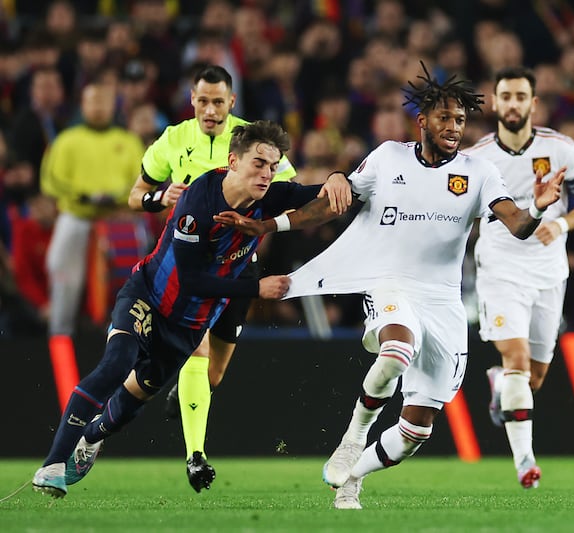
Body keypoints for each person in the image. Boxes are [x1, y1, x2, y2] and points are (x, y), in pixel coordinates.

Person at [214, 64, 565, 509]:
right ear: (422, 121)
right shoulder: (387, 158)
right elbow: (328, 207)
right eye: (444, 118)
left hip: (443, 301)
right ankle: (353, 435)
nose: (454, 127)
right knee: (396, 350)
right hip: (390, 285)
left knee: (416, 432)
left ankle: (353, 474)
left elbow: (516, 225)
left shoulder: (478, 173)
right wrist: (265, 226)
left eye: (460, 120)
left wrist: (537, 203)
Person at [32, 120, 352, 499]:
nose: (266, 173)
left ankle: (92, 436)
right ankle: (52, 464)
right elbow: (191, 280)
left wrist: (336, 177)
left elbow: (309, 193)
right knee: (116, 364)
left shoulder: (269, 196)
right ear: (233, 161)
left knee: (133, 400)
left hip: (188, 326)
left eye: (273, 164)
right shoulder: (199, 202)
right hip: (148, 298)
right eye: (258, 163)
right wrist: (256, 287)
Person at [127, 65, 297, 492]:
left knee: (214, 376)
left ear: (231, 102)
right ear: (192, 99)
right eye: (202, 101)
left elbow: (284, 192)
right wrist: (157, 197)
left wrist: (260, 233)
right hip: (189, 266)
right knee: (196, 353)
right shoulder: (173, 139)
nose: (209, 109)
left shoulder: (252, 140)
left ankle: (185, 397)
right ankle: (195, 456)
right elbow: (135, 195)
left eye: (218, 101)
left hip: (239, 264)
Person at [462, 66, 574, 488]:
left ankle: (499, 383)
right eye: (506, 96)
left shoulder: (562, 149)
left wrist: (560, 225)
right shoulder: (478, 157)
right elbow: (463, 217)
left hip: (548, 271)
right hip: (500, 269)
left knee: (532, 378)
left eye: (521, 96)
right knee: (518, 360)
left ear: (533, 103)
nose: (514, 104)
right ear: (496, 102)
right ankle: (526, 464)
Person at [40, 80, 145, 410]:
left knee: (136, 279)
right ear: (82, 104)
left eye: (104, 100)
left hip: (119, 219)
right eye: (92, 100)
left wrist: (117, 200)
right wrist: (82, 196)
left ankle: (129, 344)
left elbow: (142, 179)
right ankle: (58, 338)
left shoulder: (126, 141)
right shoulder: (68, 140)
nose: (98, 106)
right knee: (61, 271)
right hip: (77, 216)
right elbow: (51, 181)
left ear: (113, 103)